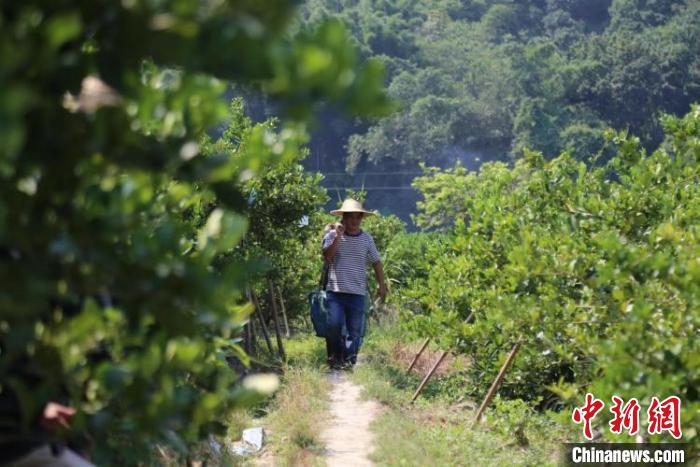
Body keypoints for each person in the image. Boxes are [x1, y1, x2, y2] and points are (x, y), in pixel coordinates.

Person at [321, 199, 387, 369]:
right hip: (335, 291)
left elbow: (376, 262)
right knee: (334, 325)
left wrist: (382, 284)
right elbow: (328, 257)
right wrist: (338, 236)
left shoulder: (366, 239)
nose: (355, 221)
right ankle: (336, 357)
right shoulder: (331, 235)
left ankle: (349, 361)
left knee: (354, 331)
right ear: (344, 217)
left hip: (357, 292)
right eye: (351, 217)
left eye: (358, 218)